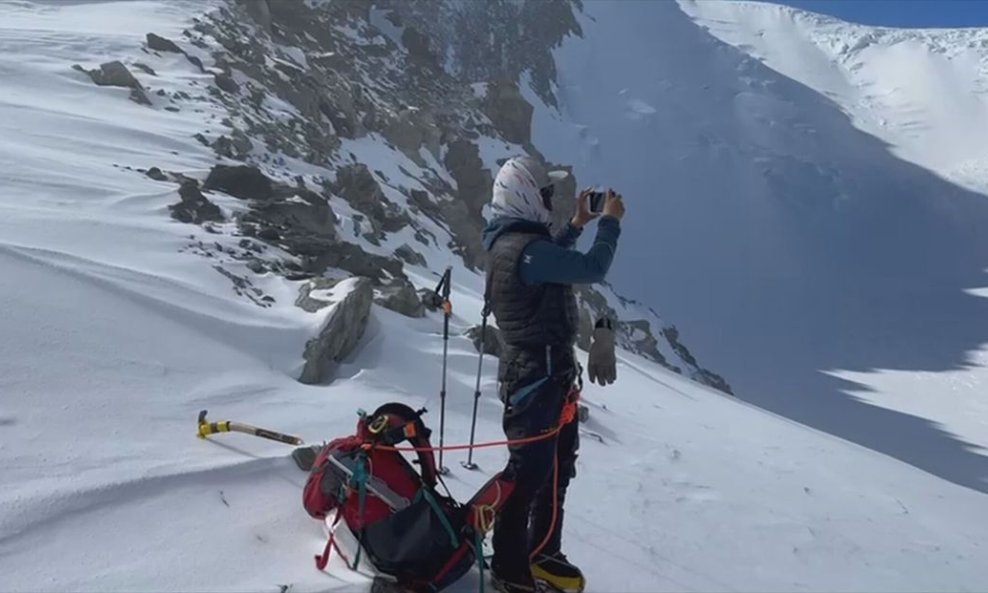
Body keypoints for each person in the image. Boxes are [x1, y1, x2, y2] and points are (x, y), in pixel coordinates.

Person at [480, 155, 624, 593]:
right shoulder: (524, 249)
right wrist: (610, 224)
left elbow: (552, 260)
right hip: (536, 382)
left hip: (543, 379)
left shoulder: (516, 245)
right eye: (544, 194)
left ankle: (542, 554)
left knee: (554, 471)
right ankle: (510, 569)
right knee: (529, 476)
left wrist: (577, 223)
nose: (548, 201)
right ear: (524, 194)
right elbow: (589, 270)